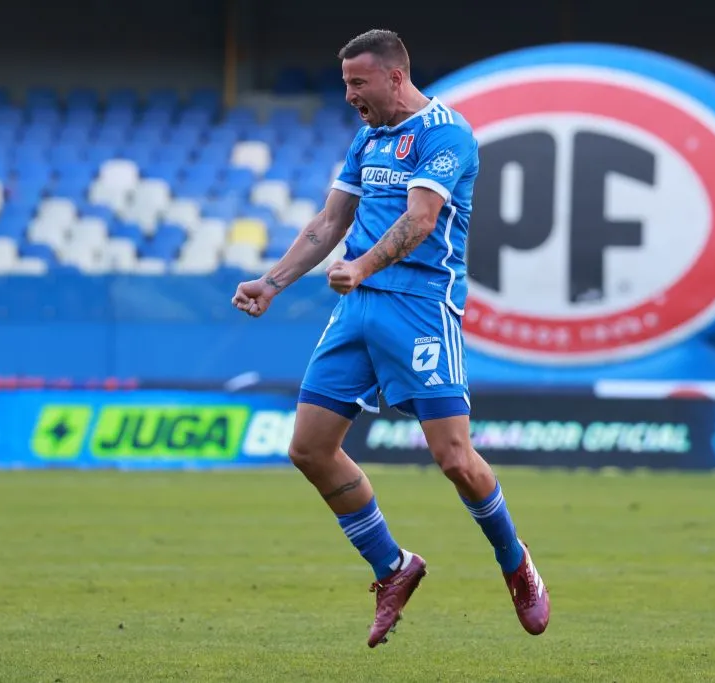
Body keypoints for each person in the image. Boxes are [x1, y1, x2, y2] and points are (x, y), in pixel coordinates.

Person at [232, 29, 549, 647]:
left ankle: (515, 561)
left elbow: (422, 219)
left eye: (359, 83)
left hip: (421, 309)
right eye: (346, 82)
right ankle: (393, 567)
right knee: (309, 449)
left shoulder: (445, 133)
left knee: (454, 459)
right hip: (357, 310)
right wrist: (272, 282)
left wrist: (361, 267)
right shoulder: (368, 138)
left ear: (395, 77)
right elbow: (329, 223)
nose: (350, 94)